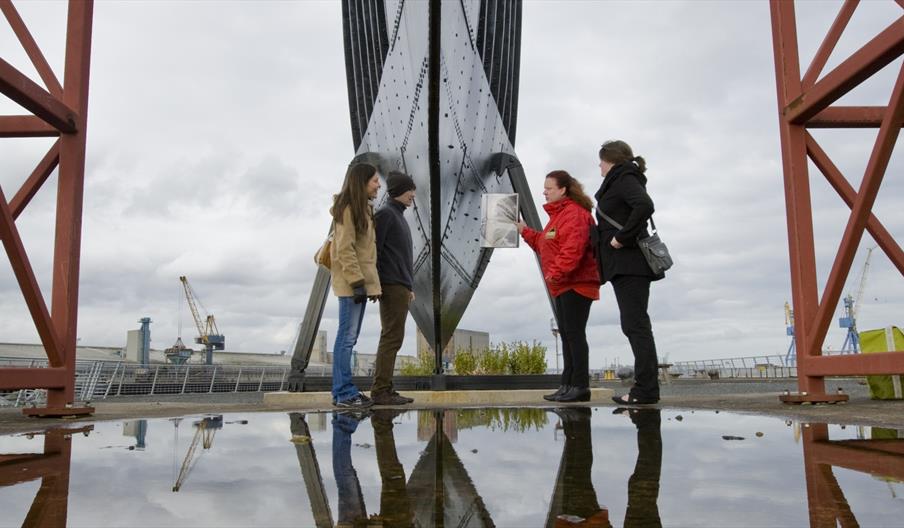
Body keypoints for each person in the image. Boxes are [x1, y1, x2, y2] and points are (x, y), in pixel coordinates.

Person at [516, 171, 600, 403]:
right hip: (562, 284)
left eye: (549, 188)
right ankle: (567, 384)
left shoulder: (574, 215)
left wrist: (554, 274)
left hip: (576, 284)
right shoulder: (558, 217)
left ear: (562, 189)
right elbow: (545, 245)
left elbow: (573, 249)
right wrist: (524, 230)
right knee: (567, 335)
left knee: (574, 334)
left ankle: (580, 386)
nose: (544, 192)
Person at [595, 140, 664, 405]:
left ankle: (645, 390)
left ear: (610, 160)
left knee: (636, 325)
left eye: (601, 160)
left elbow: (644, 206)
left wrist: (621, 238)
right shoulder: (619, 180)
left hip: (630, 264)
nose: (599, 166)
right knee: (633, 325)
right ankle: (645, 388)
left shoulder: (624, 179)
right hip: (623, 267)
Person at [330, 162, 382, 409]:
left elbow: (364, 252)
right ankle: (343, 393)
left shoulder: (363, 209)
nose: (378, 185)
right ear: (362, 182)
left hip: (358, 284)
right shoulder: (348, 208)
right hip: (351, 285)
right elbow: (344, 249)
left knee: (350, 338)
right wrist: (358, 283)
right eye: (374, 181)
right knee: (346, 339)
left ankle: (343, 392)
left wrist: (370, 286)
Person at [371, 171, 418, 406]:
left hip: (399, 286)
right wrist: (378, 283)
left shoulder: (397, 215)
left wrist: (408, 285)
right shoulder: (386, 215)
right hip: (390, 285)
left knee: (394, 338)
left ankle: (385, 389)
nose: (413, 194)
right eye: (410, 190)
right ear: (399, 190)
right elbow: (375, 252)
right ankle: (381, 391)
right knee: (391, 338)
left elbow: (400, 257)